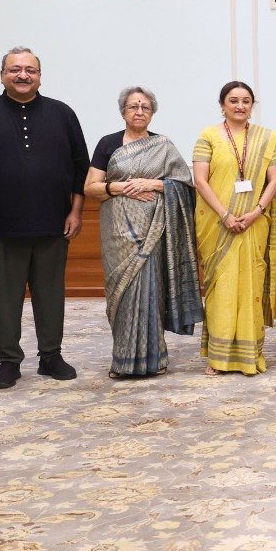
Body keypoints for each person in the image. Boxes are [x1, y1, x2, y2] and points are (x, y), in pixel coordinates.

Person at [0, 47, 89, 389]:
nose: (23, 75)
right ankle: (9, 361)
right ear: (2, 75)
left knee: (51, 294)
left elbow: (79, 167)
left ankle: (51, 356)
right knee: (6, 297)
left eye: (30, 69)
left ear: (40, 76)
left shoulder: (63, 114)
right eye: (15, 69)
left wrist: (75, 211)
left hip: (54, 224)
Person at [85, 86, 204, 378]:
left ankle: (154, 360)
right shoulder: (108, 144)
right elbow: (90, 187)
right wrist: (121, 187)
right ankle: (123, 361)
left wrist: (153, 184)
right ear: (123, 111)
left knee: (151, 290)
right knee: (123, 292)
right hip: (118, 234)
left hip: (154, 232)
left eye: (145, 107)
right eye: (133, 107)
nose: (139, 112)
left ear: (152, 112)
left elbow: (186, 185)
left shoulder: (163, 145)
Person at [192, 80, 276, 375]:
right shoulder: (208, 136)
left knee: (250, 286)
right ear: (222, 105)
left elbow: (275, 181)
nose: (240, 106)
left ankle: (250, 355)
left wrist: (255, 212)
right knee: (222, 287)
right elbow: (200, 180)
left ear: (252, 106)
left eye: (245, 101)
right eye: (233, 100)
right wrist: (225, 215)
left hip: (254, 223)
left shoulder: (268, 139)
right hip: (218, 224)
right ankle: (218, 358)